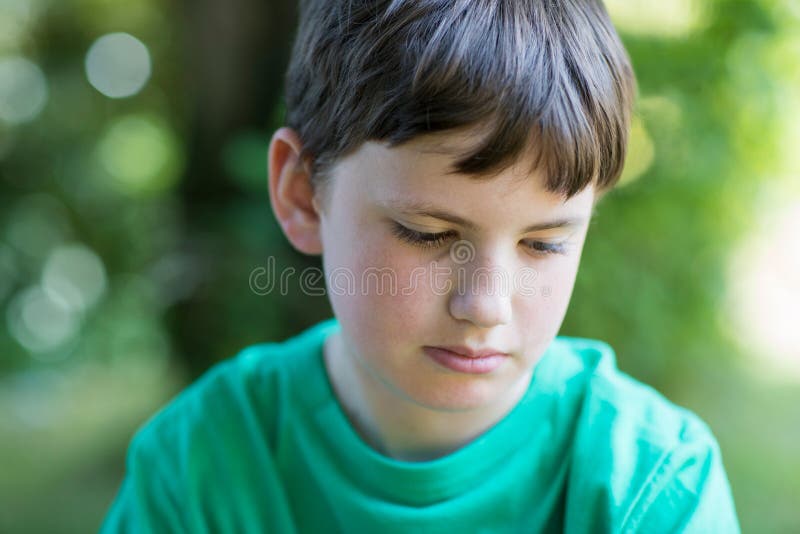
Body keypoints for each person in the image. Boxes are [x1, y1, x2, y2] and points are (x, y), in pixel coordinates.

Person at [101, 0, 741, 532]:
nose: (486, 305)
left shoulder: (653, 487)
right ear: (301, 194)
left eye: (544, 243)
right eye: (428, 232)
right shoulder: (199, 467)